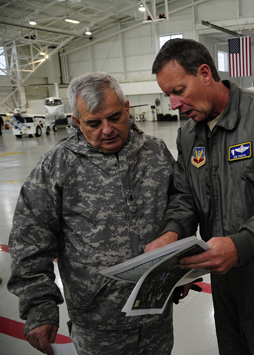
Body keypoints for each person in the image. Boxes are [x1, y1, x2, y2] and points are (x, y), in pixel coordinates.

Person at [152, 38, 254, 355]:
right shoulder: (189, 134)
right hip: (220, 278)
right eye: (167, 95)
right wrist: (171, 233)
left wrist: (240, 244)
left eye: (178, 91)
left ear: (205, 73)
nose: (173, 104)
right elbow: (184, 196)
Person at [8, 72, 180, 355]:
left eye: (114, 117)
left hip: (156, 315)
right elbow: (30, 238)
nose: (107, 129)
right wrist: (39, 306)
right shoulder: (58, 165)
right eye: (93, 123)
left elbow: (178, 209)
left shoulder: (156, 153)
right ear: (76, 122)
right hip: (97, 323)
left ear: (127, 109)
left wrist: (176, 267)